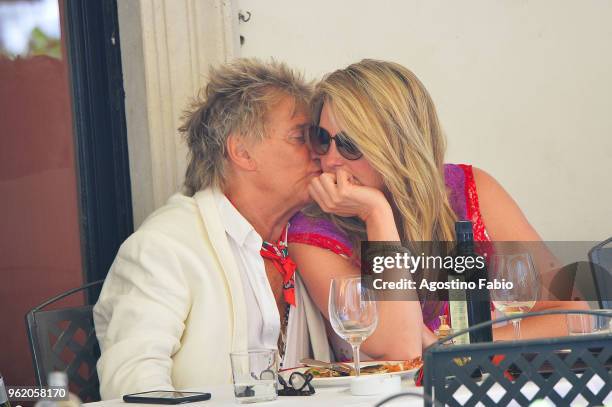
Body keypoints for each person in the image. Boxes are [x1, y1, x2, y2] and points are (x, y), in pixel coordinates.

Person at [287, 59, 588, 361]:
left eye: (350, 144)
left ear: (398, 144)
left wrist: (459, 343)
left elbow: (576, 313)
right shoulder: (312, 230)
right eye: (322, 139)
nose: (331, 160)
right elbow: (400, 348)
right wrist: (376, 214)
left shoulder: (470, 189)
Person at [93, 59, 330, 399]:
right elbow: (133, 387)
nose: (320, 153)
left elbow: (390, 350)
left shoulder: (311, 240)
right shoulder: (162, 247)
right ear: (242, 151)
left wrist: (375, 212)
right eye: (301, 137)